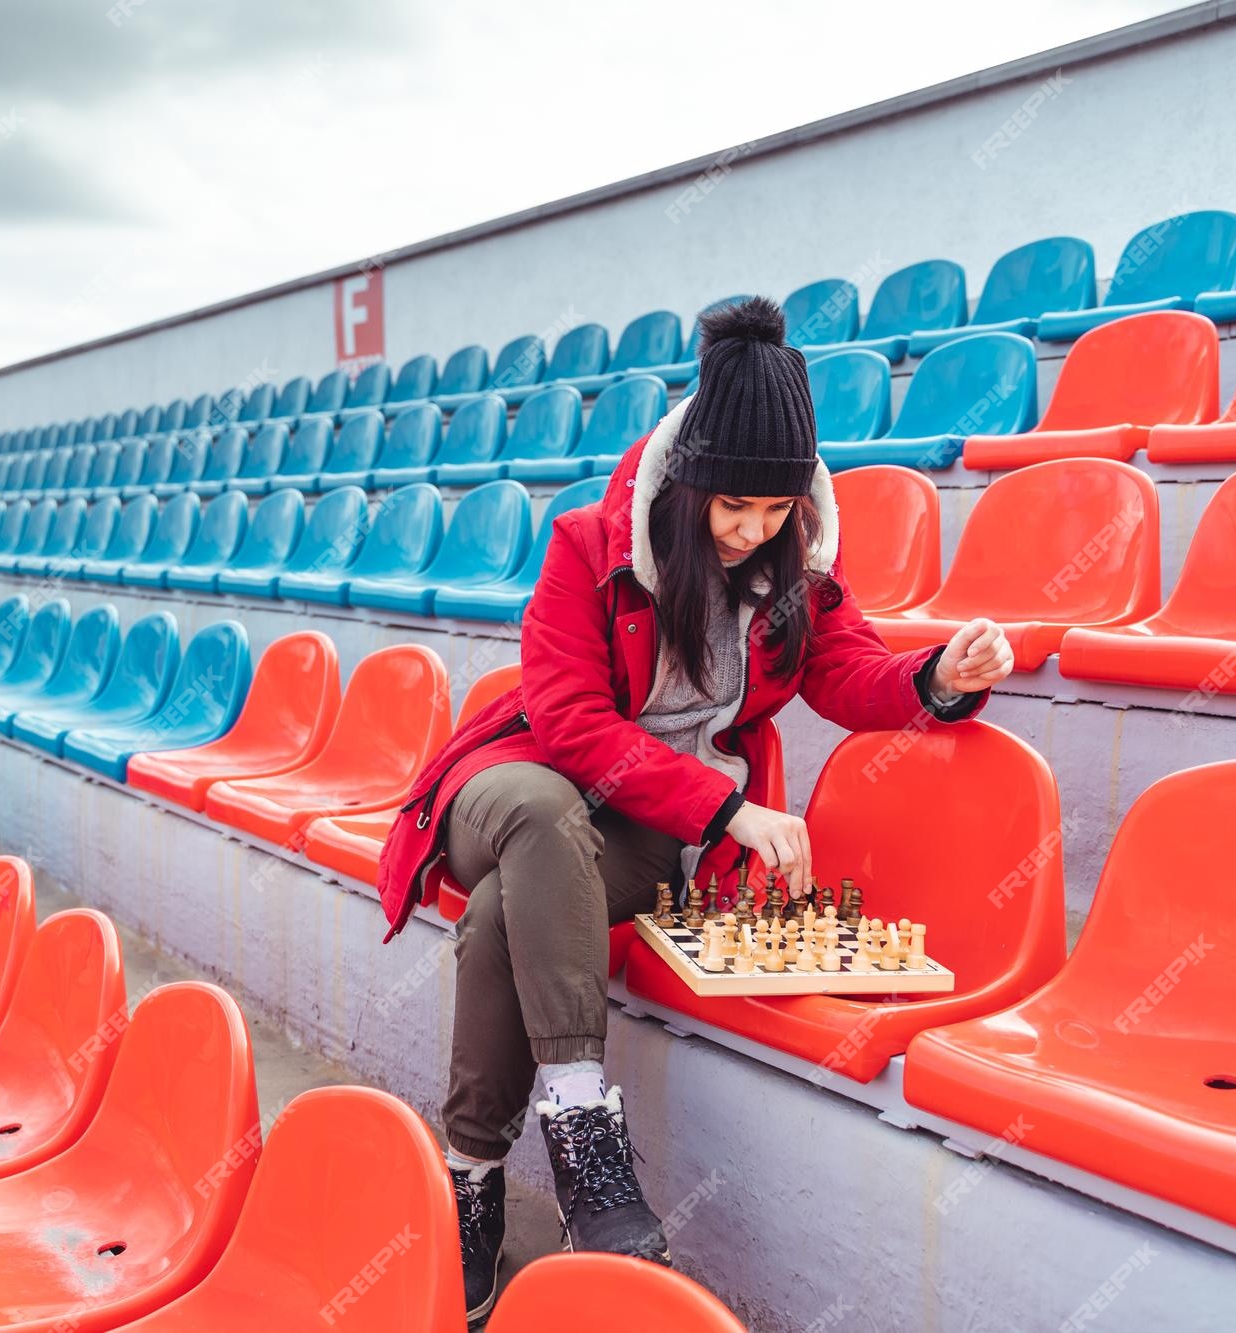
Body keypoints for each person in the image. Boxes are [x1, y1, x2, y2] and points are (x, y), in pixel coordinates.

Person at [375, 296, 1013, 1322]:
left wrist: (937, 675)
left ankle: (471, 1181)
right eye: (732, 510)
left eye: (774, 512)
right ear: (685, 487)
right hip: (513, 785)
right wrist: (725, 810)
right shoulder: (587, 546)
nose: (752, 531)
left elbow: (847, 674)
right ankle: (583, 1129)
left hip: (635, 837)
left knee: (506, 916)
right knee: (542, 818)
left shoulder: (790, 567)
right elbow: (570, 720)